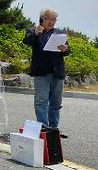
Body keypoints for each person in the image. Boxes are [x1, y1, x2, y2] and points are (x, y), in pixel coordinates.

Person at [23, 8, 71, 136]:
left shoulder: (59, 33)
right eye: (48, 19)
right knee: (41, 101)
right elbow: (26, 41)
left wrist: (65, 49)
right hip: (41, 72)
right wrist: (36, 34)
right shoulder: (34, 30)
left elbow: (68, 51)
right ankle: (43, 127)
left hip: (57, 72)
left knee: (56, 103)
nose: (51, 22)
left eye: (54, 19)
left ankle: (54, 128)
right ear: (42, 19)